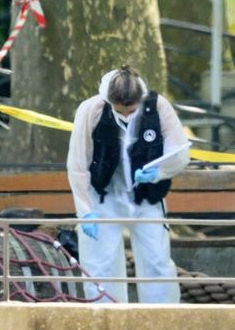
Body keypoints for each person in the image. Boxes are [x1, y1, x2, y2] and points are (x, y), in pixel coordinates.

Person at [66, 66, 190, 302]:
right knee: (101, 263)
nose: (126, 115)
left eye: (131, 110)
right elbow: (77, 164)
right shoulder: (91, 109)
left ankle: (161, 318)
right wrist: (85, 212)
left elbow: (180, 153)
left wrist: (159, 172)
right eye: (120, 110)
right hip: (104, 196)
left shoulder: (158, 106)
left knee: (156, 259)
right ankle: (105, 316)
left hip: (146, 195)